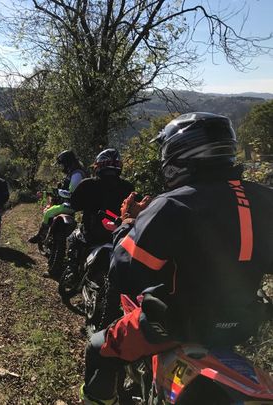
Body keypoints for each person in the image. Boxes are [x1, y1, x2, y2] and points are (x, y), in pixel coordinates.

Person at [81, 112, 273, 404]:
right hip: (241, 326)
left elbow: (125, 271)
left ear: (179, 154)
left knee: (98, 349)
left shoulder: (174, 203)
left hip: (178, 325)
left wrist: (126, 225)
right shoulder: (264, 197)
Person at [65, 149, 134, 282]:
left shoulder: (87, 184)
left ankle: (72, 270)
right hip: (118, 236)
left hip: (91, 233)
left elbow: (74, 205)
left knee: (73, 238)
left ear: (99, 165)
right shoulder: (128, 187)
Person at [28, 150, 86, 244]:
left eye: (62, 164)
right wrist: (49, 193)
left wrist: (56, 192)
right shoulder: (74, 173)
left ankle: (41, 236)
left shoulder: (76, 174)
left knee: (48, 213)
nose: (61, 166)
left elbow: (71, 193)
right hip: (71, 204)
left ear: (67, 163)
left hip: (71, 205)